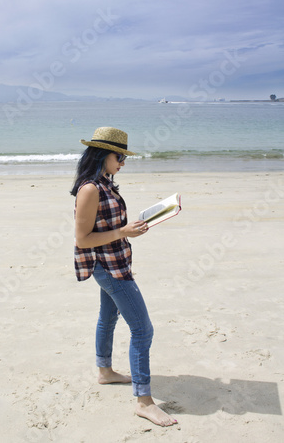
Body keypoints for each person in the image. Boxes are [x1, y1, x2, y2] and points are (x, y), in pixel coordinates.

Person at [70, 127, 177, 427]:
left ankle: (104, 372)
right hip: (109, 268)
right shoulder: (90, 188)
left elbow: (104, 227)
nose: (123, 163)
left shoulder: (104, 183)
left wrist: (129, 228)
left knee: (108, 318)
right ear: (104, 154)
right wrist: (123, 231)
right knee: (143, 330)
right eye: (120, 157)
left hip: (114, 261)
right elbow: (82, 239)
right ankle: (144, 401)